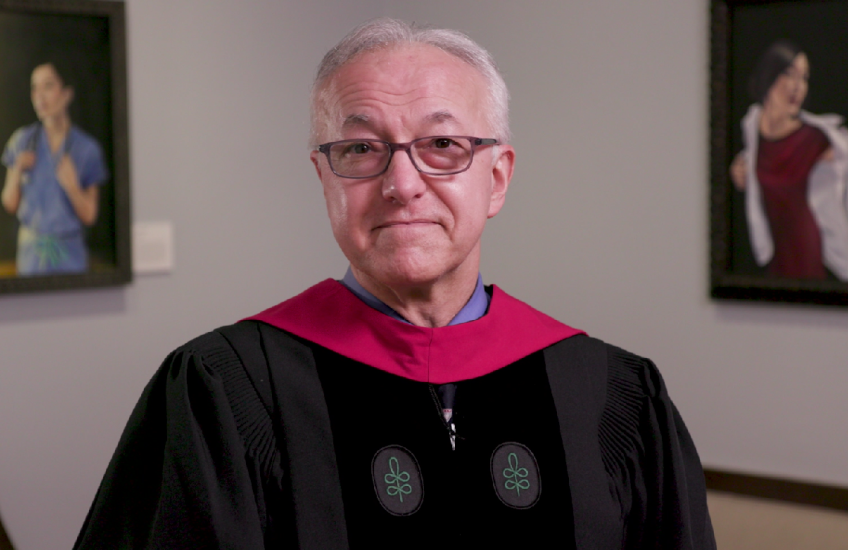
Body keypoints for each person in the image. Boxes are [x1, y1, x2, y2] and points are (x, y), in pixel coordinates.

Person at [74, 19, 715, 549]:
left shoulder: (612, 394)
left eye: (441, 144)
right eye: (359, 150)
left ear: (496, 179)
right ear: (324, 179)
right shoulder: (227, 389)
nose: (402, 184)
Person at [730, 40, 848, 280]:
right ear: (769, 76)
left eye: (804, 78)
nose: (798, 87)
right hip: (772, 257)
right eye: (789, 75)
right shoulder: (752, 127)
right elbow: (752, 166)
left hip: (806, 253)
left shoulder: (814, 139)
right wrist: (739, 172)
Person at [1, 62, 109, 276]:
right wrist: (16, 172)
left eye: (48, 86)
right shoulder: (21, 141)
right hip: (31, 256)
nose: (39, 96)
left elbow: (90, 215)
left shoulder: (86, 149)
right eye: (35, 88)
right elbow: (9, 204)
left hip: (70, 257)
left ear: (67, 93)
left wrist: (72, 186)